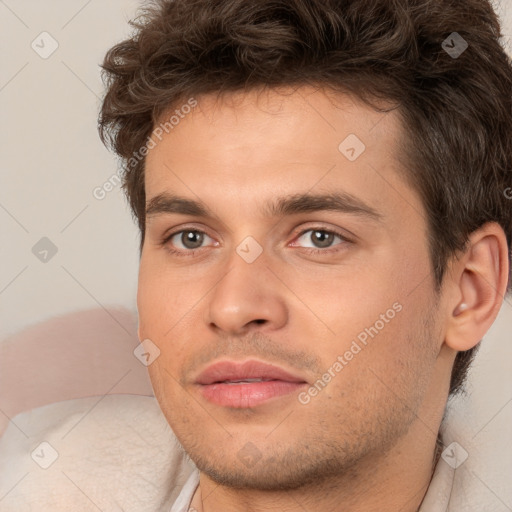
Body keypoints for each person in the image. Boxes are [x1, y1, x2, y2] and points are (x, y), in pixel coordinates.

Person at [2, 0, 509, 510]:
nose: (234, 307)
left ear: (470, 290)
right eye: (191, 238)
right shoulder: (35, 486)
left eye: (319, 238)